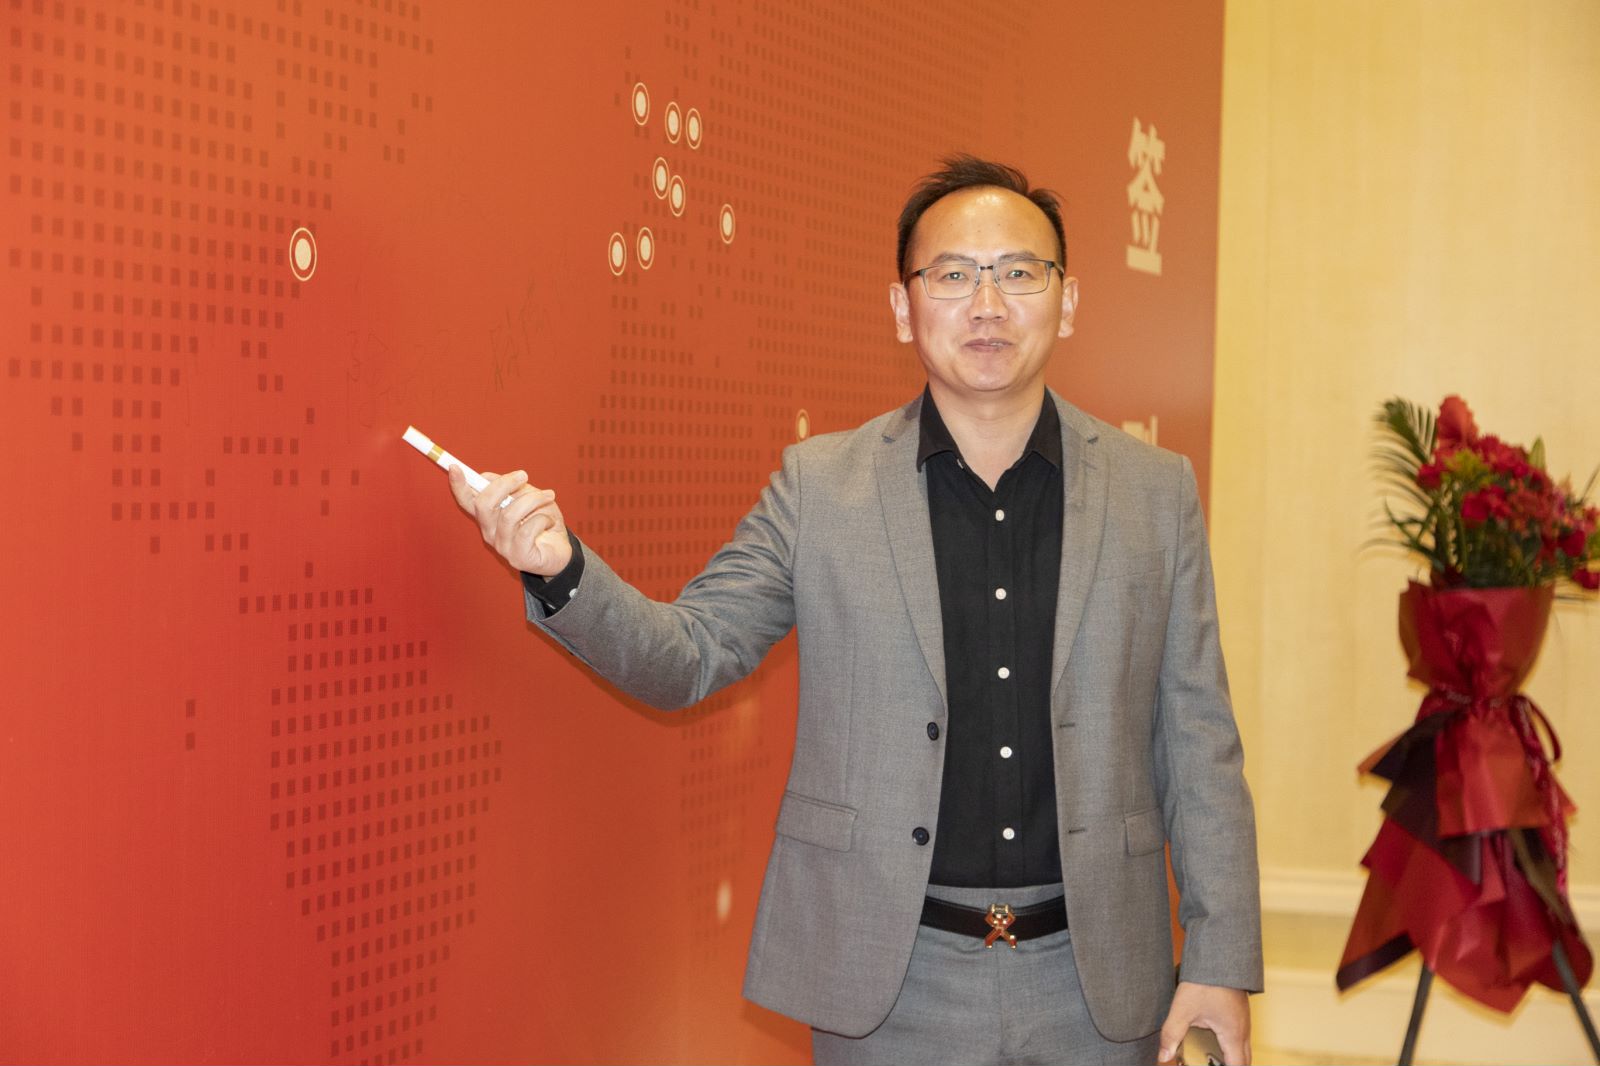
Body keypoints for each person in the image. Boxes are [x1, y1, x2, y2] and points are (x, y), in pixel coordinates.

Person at [447, 156, 1262, 1065]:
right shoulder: (821, 488)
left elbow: (1198, 738)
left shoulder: (1154, 493)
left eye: (1019, 272)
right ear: (903, 309)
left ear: (1067, 302)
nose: (987, 304)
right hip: (890, 980)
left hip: (1097, 980)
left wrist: (1220, 956)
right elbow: (691, 653)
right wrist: (561, 569)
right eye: (952, 275)